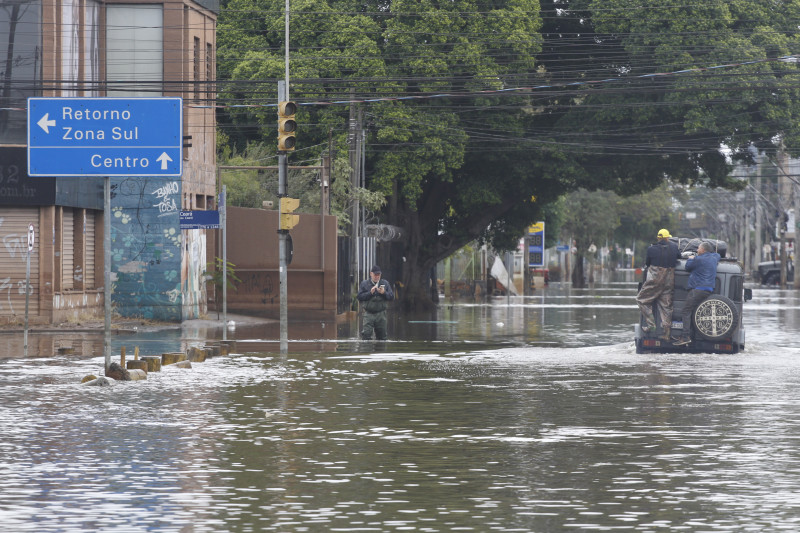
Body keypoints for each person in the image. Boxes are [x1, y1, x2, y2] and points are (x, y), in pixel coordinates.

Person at [673, 241, 720, 346]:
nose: (697, 250)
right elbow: (718, 254)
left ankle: (685, 337)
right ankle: (692, 335)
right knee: (694, 311)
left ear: (703, 250)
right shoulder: (714, 258)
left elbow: (687, 267)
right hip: (708, 290)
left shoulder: (698, 259)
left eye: (698, 248)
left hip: (697, 289)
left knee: (685, 311)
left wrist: (691, 259)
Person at [636, 229, 680, 340]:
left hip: (654, 282)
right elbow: (679, 257)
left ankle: (651, 325)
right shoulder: (674, 248)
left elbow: (647, 263)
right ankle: (666, 332)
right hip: (669, 282)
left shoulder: (651, 249)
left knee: (641, 299)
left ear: (658, 238)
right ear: (667, 238)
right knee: (666, 307)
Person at [357, 265, 394, 340]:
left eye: (379, 275)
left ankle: (380, 350)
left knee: (382, 337)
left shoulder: (385, 283)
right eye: (375, 275)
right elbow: (359, 297)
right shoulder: (364, 284)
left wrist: (384, 292)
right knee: (366, 335)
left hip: (381, 314)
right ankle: (367, 350)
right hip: (368, 314)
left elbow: (391, 297)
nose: (377, 277)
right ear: (371, 274)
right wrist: (370, 293)